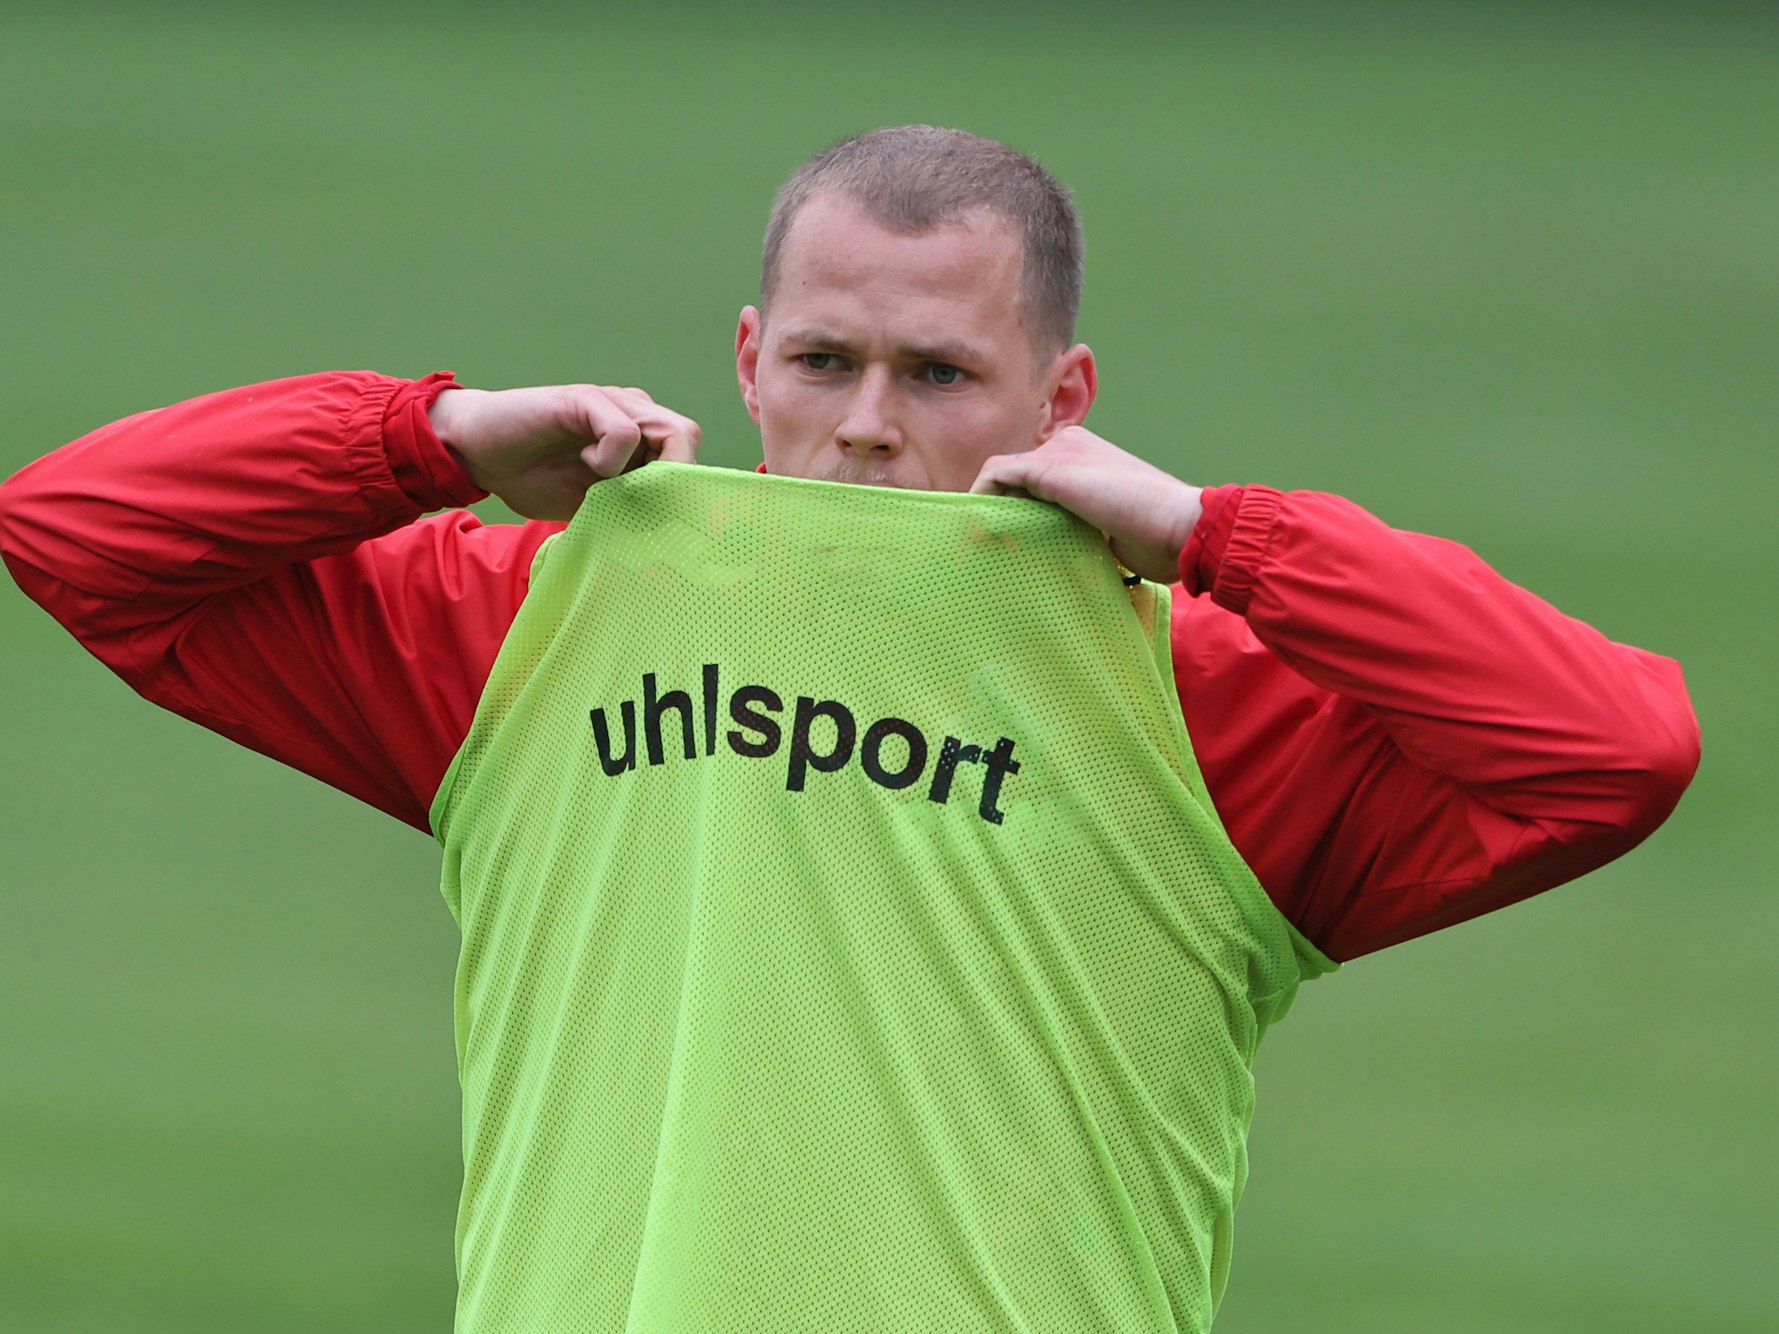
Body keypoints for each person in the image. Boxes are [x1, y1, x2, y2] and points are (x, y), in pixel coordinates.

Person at [0, 126, 1698, 1331]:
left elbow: (1612, 746)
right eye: (823, 360)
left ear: (1064, 398)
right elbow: (78, 534)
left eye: (940, 374)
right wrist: (429, 435)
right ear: (747, 360)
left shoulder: (1211, 697)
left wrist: (1221, 535)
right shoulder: (528, 615)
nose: (868, 425)